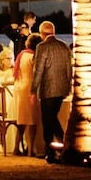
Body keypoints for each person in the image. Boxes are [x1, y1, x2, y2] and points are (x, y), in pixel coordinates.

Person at [31, 21, 72, 162]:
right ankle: (62, 146)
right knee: (52, 118)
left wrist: (33, 90)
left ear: (42, 34)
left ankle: (53, 149)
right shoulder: (64, 46)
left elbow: (38, 71)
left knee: (48, 121)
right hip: (61, 89)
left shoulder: (42, 47)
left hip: (47, 89)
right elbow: (69, 70)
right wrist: (68, 87)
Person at [11, 33, 40, 155]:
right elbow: (37, 74)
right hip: (30, 88)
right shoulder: (34, 57)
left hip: (19, 86)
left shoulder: (22, 55)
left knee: (22, 120)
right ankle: (31, 149)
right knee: (32, 120)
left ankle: (16, 147)